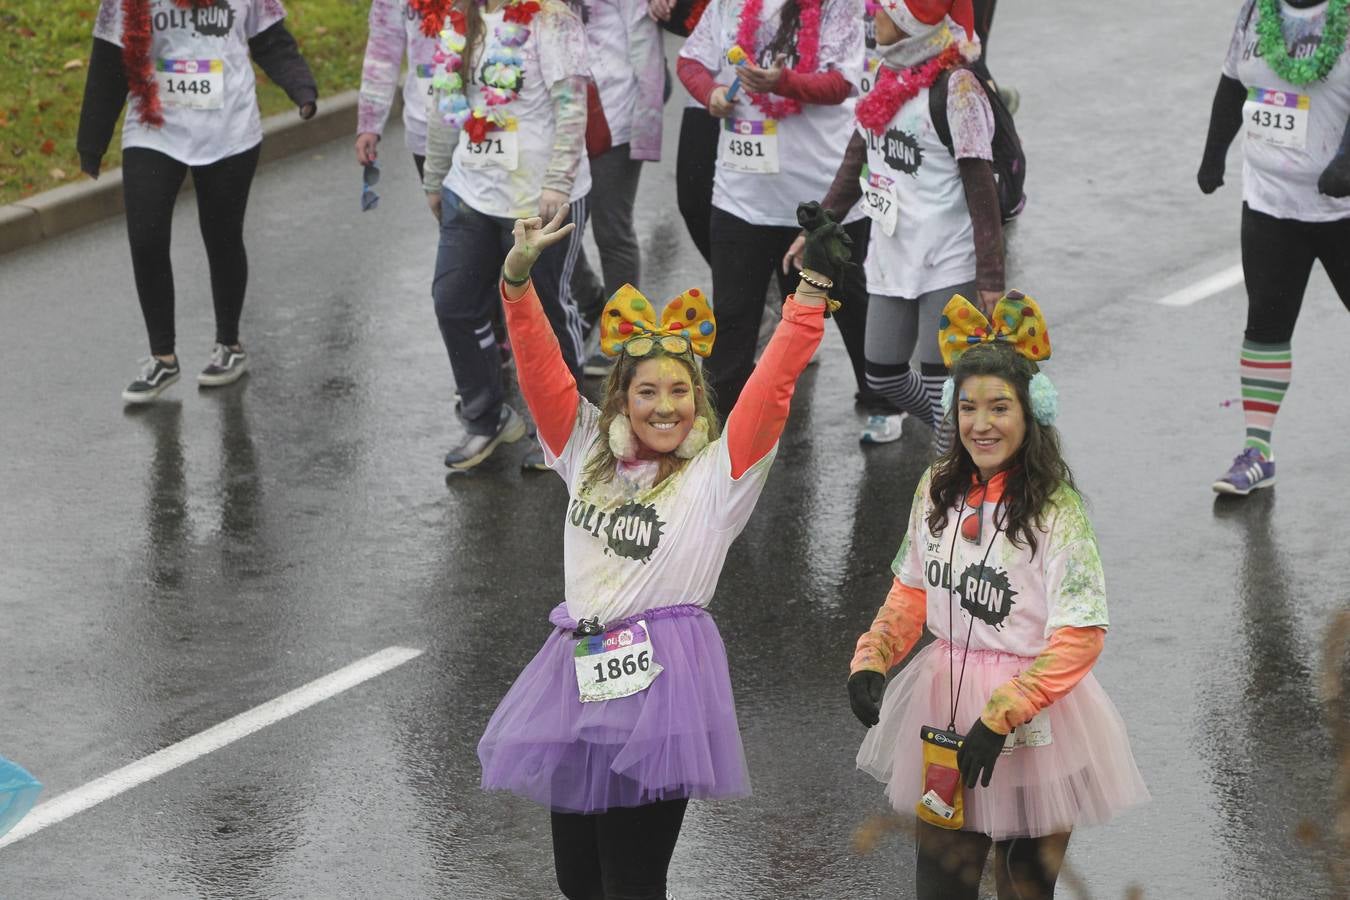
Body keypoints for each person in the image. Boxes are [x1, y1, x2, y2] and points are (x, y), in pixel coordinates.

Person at [477, 202, 849, 899]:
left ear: (697, 400)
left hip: (659, 692)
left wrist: (809, 298)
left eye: (680, 390)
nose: (665, 406)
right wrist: (517, 283)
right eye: (647, 390)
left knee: (632, 880)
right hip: (579, 675)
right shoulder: (584, 445)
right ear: (621, 400)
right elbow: (539, 368)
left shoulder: (720, 474)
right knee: (578, 881)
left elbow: (771, 387)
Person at [847, 293, 1148, 900]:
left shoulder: (1056, 512)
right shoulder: (936, 490)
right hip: (947, 708)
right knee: (939, 890)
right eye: (968, 408)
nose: (981, 424)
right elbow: (911, 590)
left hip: (1036, 725)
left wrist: (1006, 709)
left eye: (999, 407)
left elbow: (1081, 635)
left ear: (1033, 411)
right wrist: (874, 656)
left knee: (1023, 891)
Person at [787, 0, 1002, 454]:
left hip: (947, 256)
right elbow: (854, 163)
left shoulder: (958, 87)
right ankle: (968, 439)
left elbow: (983, 193)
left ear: (909, 23)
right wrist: (816, 228)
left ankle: (952, 484)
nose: (872, 18)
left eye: (883, 12)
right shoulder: (888, 76)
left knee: (943, 385)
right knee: (881, 373)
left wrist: (991, 280)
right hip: (891, 251)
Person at [77, 0, 317, 404]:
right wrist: (92, 142)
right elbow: (109, 57)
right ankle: (162, 357)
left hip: (229, 127)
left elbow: (270, 39)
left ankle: (229, 344)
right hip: (155, 126)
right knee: (147, 237)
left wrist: (302, 90)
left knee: (222, 237)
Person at [677, 0, 872, 411]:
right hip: (742, 198)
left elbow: (840, 84)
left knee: (850, 306)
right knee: (732, 317)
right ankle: (714, 427)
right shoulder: (728, 5)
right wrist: (710, 93)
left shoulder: (840, 5)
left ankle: (880, 400)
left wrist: (782, 83)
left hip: (823, 196)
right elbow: (691, 60)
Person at [422, 0, 592, 471]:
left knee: (548, 315)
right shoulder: (459, 17)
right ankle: (485, 417)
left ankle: (565, 427)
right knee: (453, 301)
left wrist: (559, 180)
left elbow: (572, 104)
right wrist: (435, 178)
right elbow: (443, 103)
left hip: (539, 197)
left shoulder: (553, 18)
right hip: (470, 190)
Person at [1198, 0, 1350, 496]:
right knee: (1265, 326)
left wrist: (1347, 162)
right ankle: (1257, 452)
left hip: (1341, 210)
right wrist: (1214, 154)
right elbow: (1233, 82)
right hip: (1268, 203)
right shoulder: (1254, 12)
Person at [570, 0, 666, 374]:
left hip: (615, 115)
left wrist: (645, 127)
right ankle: (594, 305)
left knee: (611, 228)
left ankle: (627, 333)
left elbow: (648, 52)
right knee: (551, 228)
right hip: (555, 115)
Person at [355, 0, 444, 179]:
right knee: (441, 205)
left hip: (489, 124)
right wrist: (370, 124)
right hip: (426, 125)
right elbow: (382, 55)